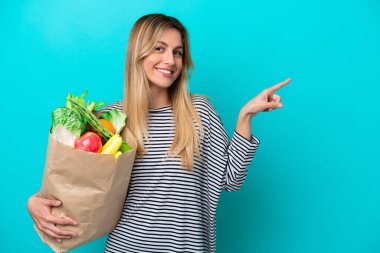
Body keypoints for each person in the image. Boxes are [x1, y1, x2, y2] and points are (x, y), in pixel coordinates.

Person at [27, 13, 290, 252]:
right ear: (138, 53)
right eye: (159, 49)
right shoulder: (110, 120)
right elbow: (76, 183)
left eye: (177, 52)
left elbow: (231, 180)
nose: (170, 61)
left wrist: (245, 117)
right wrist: (34, 202)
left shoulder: (200, 111)